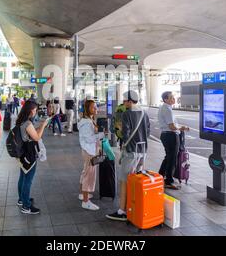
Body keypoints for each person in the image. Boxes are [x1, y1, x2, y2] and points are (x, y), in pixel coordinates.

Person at [106, 90, 150, 221]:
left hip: (130, 151)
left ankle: (122, 211)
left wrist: (118, 129)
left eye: (125, 100)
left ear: (130, 101)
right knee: (136, 179)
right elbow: (148, 132)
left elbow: (125, 135)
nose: (123, 103)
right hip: (142, 152)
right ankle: (134, 206)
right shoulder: (144, 113)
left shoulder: (127, 114)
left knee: (124, 180)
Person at [16, 100, 50, 214]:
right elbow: (36, 138)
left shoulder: (21, 120)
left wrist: (40, 126)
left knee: (23, 176)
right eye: (35, 110)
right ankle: (26, 206)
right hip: (29, 154)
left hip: (22, 154)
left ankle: (22, 199)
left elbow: (31, 134)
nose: (36, 112)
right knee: (28, 180)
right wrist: (44, 126)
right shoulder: (28, 123)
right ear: (31, 111)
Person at [158, 91, 189, 190]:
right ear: (166, 99)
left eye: (173, 97)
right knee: (172, 159)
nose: (173, 99)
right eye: (171, 97)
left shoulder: (164, 108)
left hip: (166, 135)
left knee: (168, 157)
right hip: (171, 136)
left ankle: (161, 176)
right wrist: (182, 128)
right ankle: (168, 181)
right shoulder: (167, 109)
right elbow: (172, 126)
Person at [78, 99, 105, 210]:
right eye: (93, 107)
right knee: (89, 175)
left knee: (86, 172)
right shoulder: (86, 122)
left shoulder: (89, 120)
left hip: (89, 150)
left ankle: (83, 194)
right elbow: (89, 139)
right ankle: (85, 201)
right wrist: (101, 135)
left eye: (96, 106)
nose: (96, 109)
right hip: (89, 151)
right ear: (87, 109)